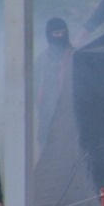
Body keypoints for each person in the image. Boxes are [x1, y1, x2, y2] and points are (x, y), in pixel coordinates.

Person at [34, 17, 73, 151]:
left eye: (63, 32)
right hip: (47, 113)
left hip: (70, 113)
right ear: (49, 35)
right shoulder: (41, 60)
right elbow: (33, 86)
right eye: (56, 33)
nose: (60, 36)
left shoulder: (75, 57)